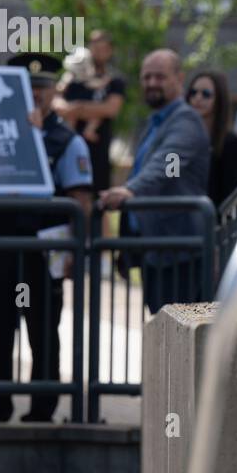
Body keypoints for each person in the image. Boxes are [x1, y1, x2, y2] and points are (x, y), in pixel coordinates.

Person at [0, 54, 93, 422]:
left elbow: (81, 200)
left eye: (42, 88)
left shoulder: (66, 141)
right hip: (1, 243)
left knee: (42, 329)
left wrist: (76, 250)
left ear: (54, 90)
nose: (36, 95)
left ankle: (43, 407)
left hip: (44, 247)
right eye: (29, 88)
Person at [99, 49, 211, 314]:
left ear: (179, 78)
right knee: (162, 338)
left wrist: (129, 190)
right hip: (154, 251)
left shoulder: (185, 120)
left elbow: (165, 165)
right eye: (146, 77)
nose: (151, 83)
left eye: (160, 77)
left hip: (179, 252)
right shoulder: (155, 121)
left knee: (177, 341)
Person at [53, 30, 126, 195]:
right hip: (69, 148)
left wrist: (76, 109)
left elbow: (110, 109)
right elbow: (56, 102)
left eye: (103, 47)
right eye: (95, 46)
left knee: (99, 199)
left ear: (110, 50)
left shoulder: (114, 80)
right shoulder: (74, 76)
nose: (98, 51)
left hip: (97, 152)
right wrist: (86, 110)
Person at [185, 68, 237, 210]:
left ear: (219, 99)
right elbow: (172, 177)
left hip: (212, 224)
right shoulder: (177, 141)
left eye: (206, 94)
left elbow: (232, 196)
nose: (198, 98)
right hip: (179, 221)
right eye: (193, 93)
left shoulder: (232, 144)